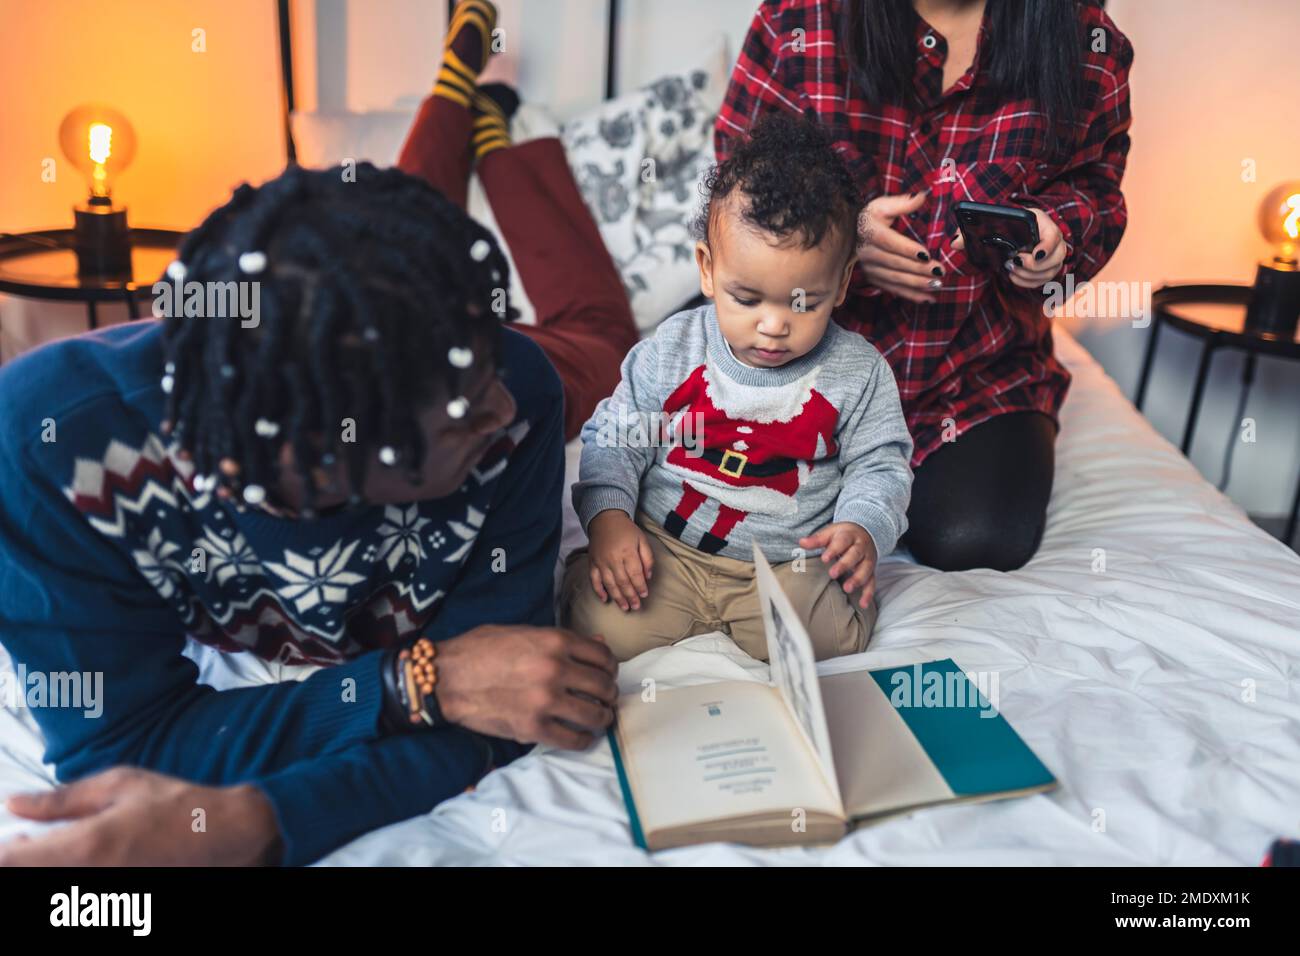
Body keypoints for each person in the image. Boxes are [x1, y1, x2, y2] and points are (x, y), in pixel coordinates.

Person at [0, 0, 633, 867]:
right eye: (463, 411)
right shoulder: (50, 447)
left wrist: (261, 813)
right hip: (394, 362)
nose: (496, 416)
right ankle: (471, 114)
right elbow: (128, 751)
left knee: (599, 327)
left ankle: (477, 122)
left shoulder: (515, 396)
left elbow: (512, 705)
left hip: (526, 347)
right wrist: (415, 684)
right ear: (311, 461)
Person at [716, 0, 1133, 571]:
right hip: (809, 347)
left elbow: (1098, 190)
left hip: (976, 367)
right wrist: (842, 238)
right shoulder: (799, 19)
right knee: (731, 498)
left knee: (977, 539)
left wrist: (1059, 236)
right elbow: (740, 185)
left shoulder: (1085, 41)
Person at [563, 113, 913, 663]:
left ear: (842, 283)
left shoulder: (859, 371)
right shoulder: (675, 347)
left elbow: (882, 465)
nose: (773, 325)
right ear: (707, 270)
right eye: (747, 299)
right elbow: (616, 437)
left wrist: (861, 526)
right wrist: (609, 519)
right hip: (667, 550)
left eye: (803, 303)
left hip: (783, 566)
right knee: (602, 628)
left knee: (829, 638)